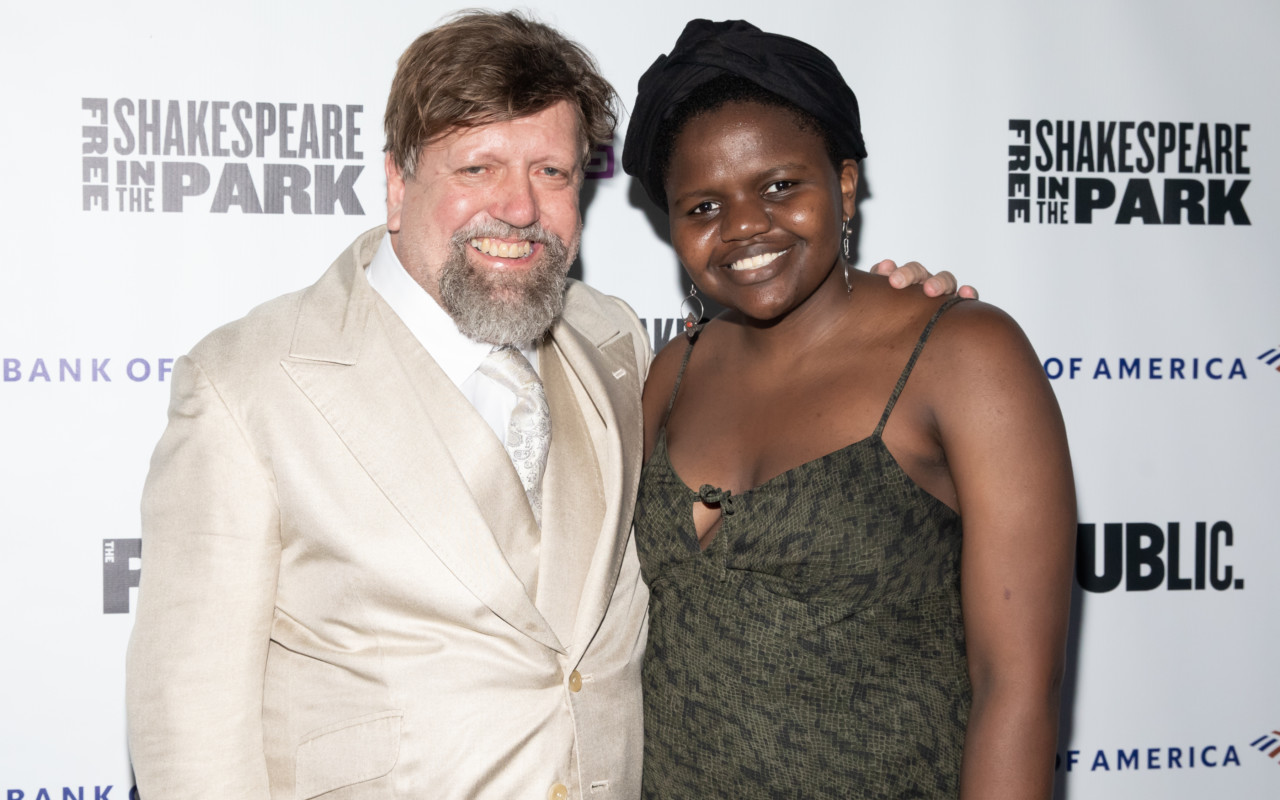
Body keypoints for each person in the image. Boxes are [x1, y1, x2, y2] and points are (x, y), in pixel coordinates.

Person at [125, 10, 962, 799]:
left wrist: (879, 311)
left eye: (551, 173)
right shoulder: (246, 384)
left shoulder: (620, 344)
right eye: (477, 167)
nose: (518, 208)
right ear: (396, 184)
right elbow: (189, 733)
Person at [622, 19, 1075, 800]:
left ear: (843, 184)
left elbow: (1016, 690)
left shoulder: (964, 356)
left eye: (778, 186)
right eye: (702, 206)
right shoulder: (674, 371)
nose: (742, 228)